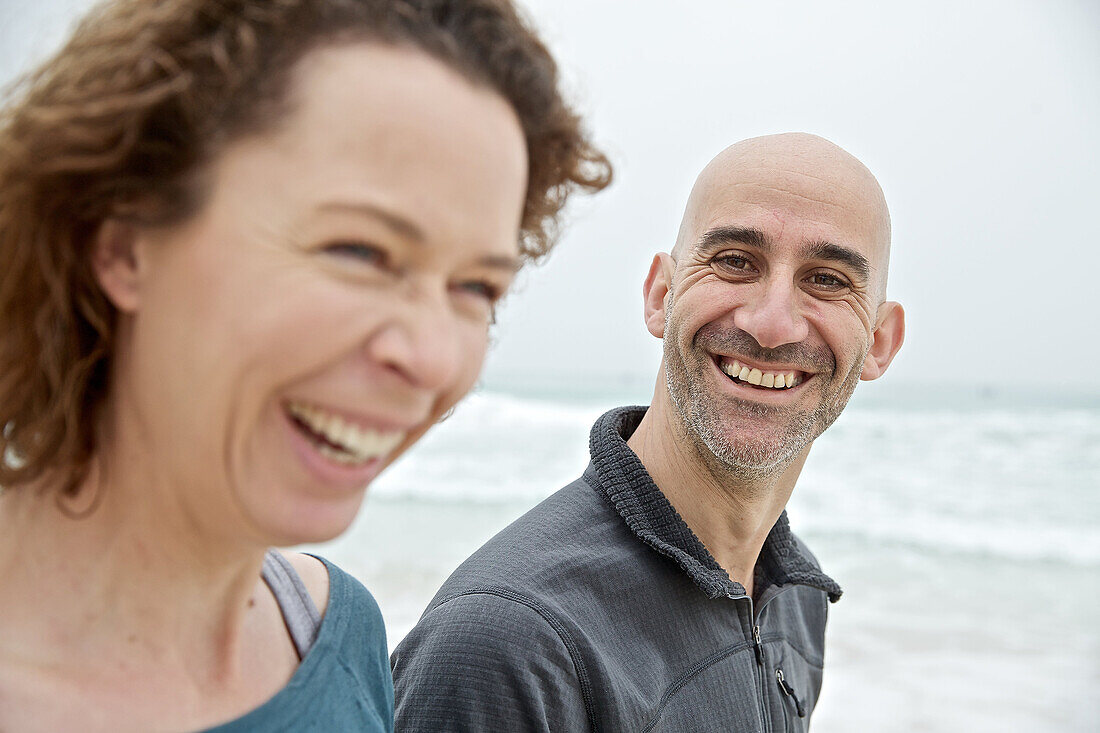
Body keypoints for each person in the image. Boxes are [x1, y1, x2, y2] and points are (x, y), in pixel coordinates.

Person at [0, 0, 610, 730]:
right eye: (359, 251)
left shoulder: (337, 633)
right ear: (126, 245)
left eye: (476, 287)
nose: (432, 358)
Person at [391, 132, 905, 731]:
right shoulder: (510, 643)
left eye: (828, 280)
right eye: (735, 262)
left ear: (879, 342)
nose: (771, 325)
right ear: (661, 295)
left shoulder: (793, 593)